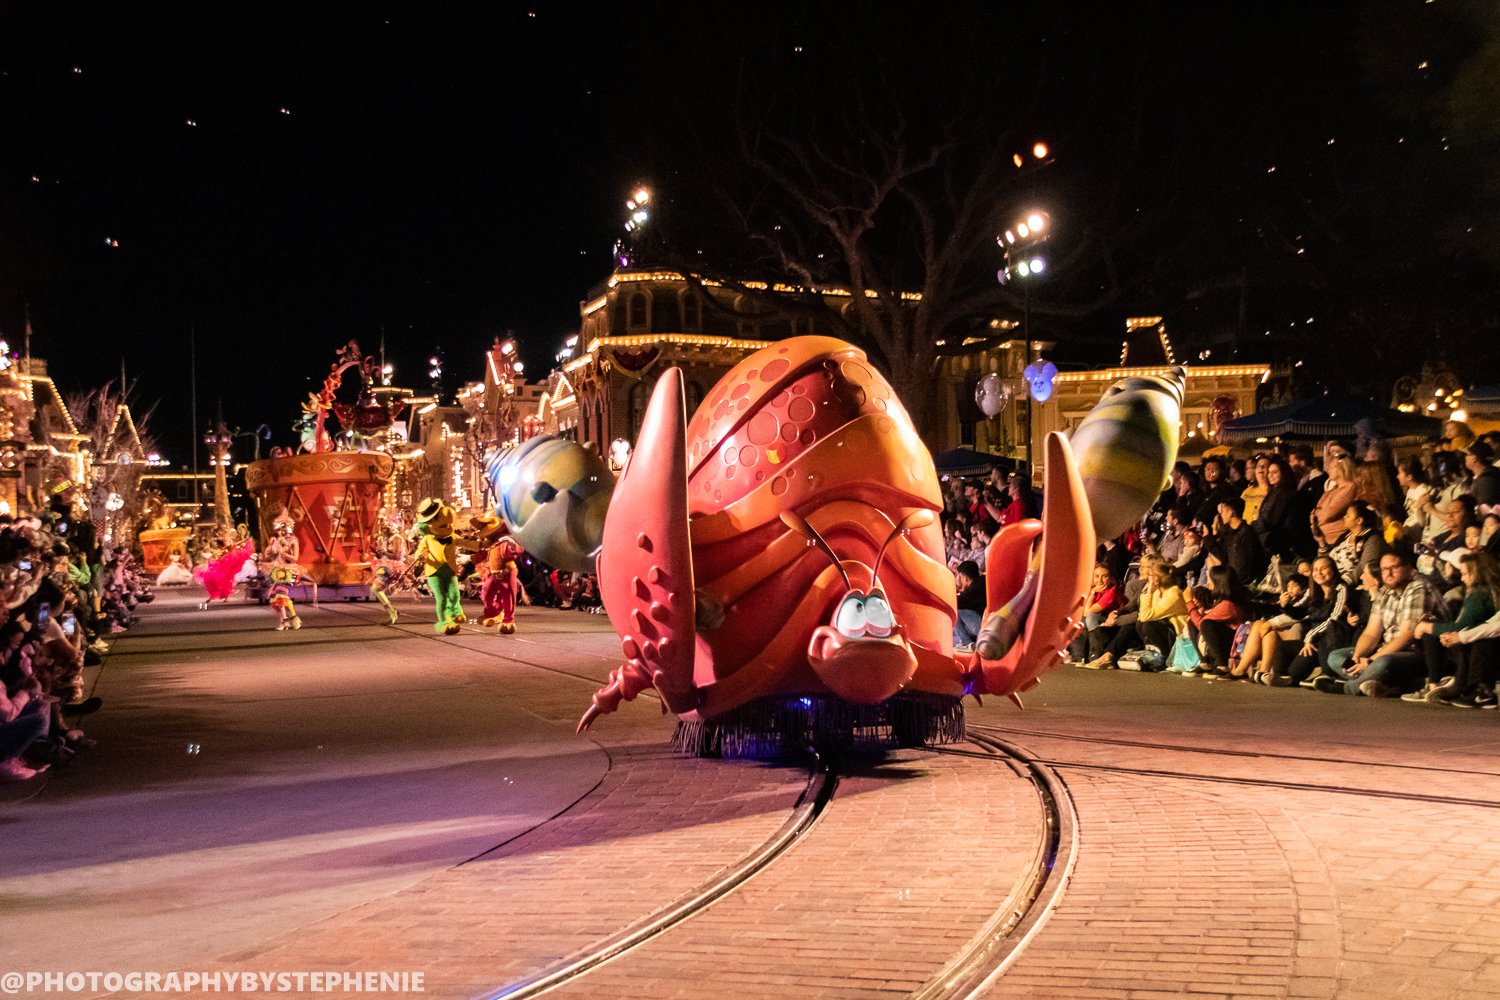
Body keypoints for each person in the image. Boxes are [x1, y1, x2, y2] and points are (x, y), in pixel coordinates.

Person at [1315, 552, 1448, 697]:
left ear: (1408, 568)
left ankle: (1347, 687)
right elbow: (1371, 632)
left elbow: (1406, 636)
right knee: (1335, 657)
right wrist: (1358, 656)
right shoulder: (1385, 591)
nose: (1388, 573)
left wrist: (1371, 660)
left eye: (1394, 568)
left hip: (1417, 652)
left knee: (1383, 662)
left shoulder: (1418, 587)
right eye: (1384, 569)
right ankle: (1380, 683)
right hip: (1389, 649)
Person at [1406, 551, 1500, 704]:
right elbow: (1490, 623)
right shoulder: (1475, 590)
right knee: (1439, 630)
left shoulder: (1479, 593)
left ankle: (1461, 687)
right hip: (1479, 642)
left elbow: (1465, 627)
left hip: (1485, 650)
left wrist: (1433, 629)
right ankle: (1439, 684)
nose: (1462, 578)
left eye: (1465, 574)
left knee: (1465, 639)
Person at [1086, 560, 1186, 669]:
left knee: (1138, 624)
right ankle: (1098, 657)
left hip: (1173, 636)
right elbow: (1131, 606)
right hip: (1148, 628)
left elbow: (1143, 616)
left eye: (1145, 568)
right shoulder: (1154, 591)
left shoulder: (1173, 594)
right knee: (1103, 629)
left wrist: (1148, 591)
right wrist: (1115, 613)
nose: (1140, 570)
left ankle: (1109, 657)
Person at [1183, 565, 1251, 676]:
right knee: (1192, 621)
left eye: (1210, 578)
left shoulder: (1228, 604)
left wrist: (1189, 602)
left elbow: (1202, 624)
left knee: (1205, 624)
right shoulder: (1219, 600)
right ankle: (1205, 663)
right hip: (1225, 640)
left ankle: (1222, 665)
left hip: (1233, 643)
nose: (1207, 581)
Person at [1067, 564, 1122, 663]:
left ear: (1110, 578)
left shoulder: (1111, 592)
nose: (1100, 580)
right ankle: (1079, 658)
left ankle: (1095, 656)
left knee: (1090, 617)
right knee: (1078, 620)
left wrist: (1092, 594)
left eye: (1104, 576)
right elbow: (1080, 612)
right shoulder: (1094, 589)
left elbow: (1087, 612)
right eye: (1096, 576)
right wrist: (1091, 592)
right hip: (1098, 624)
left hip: (1113, 626)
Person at [1205, 497, 1266, 586]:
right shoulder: (1229, 533)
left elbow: (1245, 565)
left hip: (1243, 584)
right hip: (1233, 582)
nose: (1221, 516)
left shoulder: (1246, 532)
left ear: (1230, 513)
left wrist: (1234, 584)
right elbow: (1222, 555)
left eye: (1223, 512)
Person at [1327, 501, 1388, 585]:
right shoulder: (1343, 537)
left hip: (1346, 585)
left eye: (1348, 515)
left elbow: (1364, 568)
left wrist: (1341, 585)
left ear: (1358, 520)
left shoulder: (1372, 539)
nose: (1344, 517)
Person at [1310, 454, 1357, 550]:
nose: (1328, 471)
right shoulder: (1331, 490)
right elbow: (1313, 513)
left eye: (1331, 468)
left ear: (1340, 469)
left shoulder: (1349, 489)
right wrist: (1318, 515)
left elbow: (1327, 514)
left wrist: (1318, 515)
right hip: (1323, 540)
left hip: (1336, 541)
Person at [952, 560, 985, 650]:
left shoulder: (975, 590)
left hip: (981, 627)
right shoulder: (981, 584)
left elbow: (958, 602)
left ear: (965, 578)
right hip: (982, 624)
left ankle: (968, 644)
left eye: (960, 577)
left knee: (956, 612)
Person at [1467, 441, 1500, 508]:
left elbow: (1485, 510)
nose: (1465, 458)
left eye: (1467, 454)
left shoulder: (1485, 482)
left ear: (1474, 458)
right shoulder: (1483, 478)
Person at [1240, 454, 1270, 523]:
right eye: (1258, 466)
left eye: (1264, 466)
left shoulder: (1272, 492)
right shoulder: (1247, 492)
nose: (1260, 468)